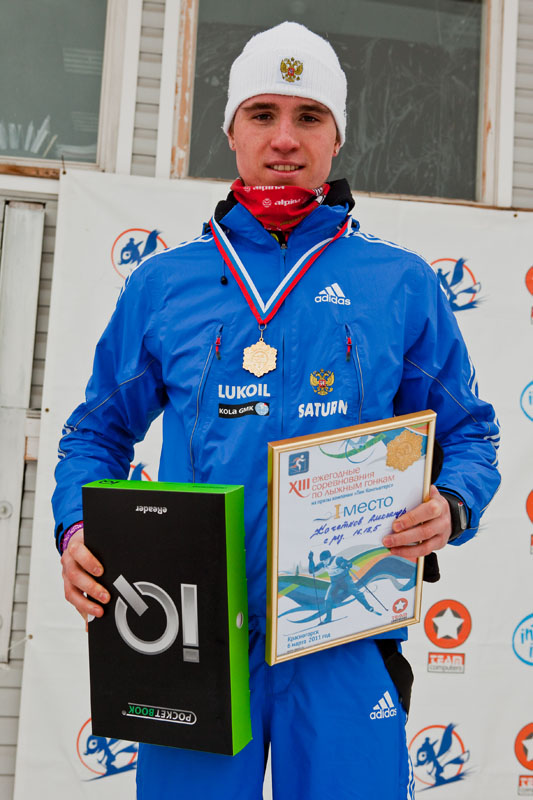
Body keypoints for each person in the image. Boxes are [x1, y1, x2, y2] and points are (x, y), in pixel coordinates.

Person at [53, 21, 500, 799]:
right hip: (192, 638)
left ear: (337, 136)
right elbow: (96, 432)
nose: (284, 137)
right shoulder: (165, 285)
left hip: (343, 626)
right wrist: (77, 528)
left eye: (308, 116)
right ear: (231, 131)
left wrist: (452, 503)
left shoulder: (398, 284)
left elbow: (468, 432)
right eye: (262, 114)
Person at [307, 549, 380, 621]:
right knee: (328, 599)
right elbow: (312, 570)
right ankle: (328, 618)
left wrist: (345, 564)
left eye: (325, 560)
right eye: (322, 560)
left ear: (329, 557)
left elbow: (349, 563)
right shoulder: (323, 563)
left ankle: (368, 607)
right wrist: (310, 559)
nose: (324, 562)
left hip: (345, 580)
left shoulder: (337, 560)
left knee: (356, 592)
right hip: (334, 582)